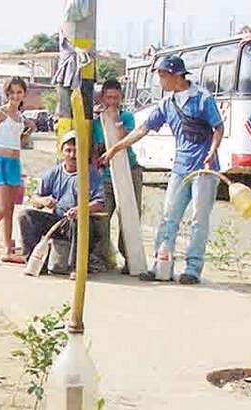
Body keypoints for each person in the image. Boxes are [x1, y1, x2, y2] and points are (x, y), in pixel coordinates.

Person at [100, 55, 224, 285]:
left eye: (162, 75)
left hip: (204, 169)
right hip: (180, 167)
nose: (160, 80)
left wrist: (212, 151)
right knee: (169, 217)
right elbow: (143, 129)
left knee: (199, 219)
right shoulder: (167, 104)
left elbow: (218, 127)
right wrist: (116, 148)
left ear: (175, 75)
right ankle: (161, 265)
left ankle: (193, 269)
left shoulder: (202, 99)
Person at [19, 131, 106, 274]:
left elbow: (100, 203)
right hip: (58, 221)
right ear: (62, 152)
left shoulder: (92, 175)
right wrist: (44, 200)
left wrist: (81, 209)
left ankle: (76, 268)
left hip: (82, 223)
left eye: (76, 151)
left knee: (79, 222)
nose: (72, 155)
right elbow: (35, 198)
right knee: (25, 216)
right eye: (68, 150)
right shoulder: (53, 173)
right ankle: (35, 263)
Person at [0, 77, 36, 266]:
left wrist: (29, 129)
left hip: (14, 162)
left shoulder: (20, 116)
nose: (15, 96)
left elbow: (19, 136)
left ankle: (7, 249)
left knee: (10, 209)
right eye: (11, 92)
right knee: (1, 208)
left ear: (24, 94)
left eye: (19, 92)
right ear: (7, 94)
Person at [92, 78, 143, 273]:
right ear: (102, 97)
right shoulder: (97, 122)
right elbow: (95, 148)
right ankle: (104, 256)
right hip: (105, 174)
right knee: (102, 216)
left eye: (116, 97)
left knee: (129, 216)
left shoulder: (127, 117)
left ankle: (130, 258)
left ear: (120, 98)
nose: (112, 101)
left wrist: (115, 118)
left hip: (129, 170)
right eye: (108, 97)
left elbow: (124, 137)